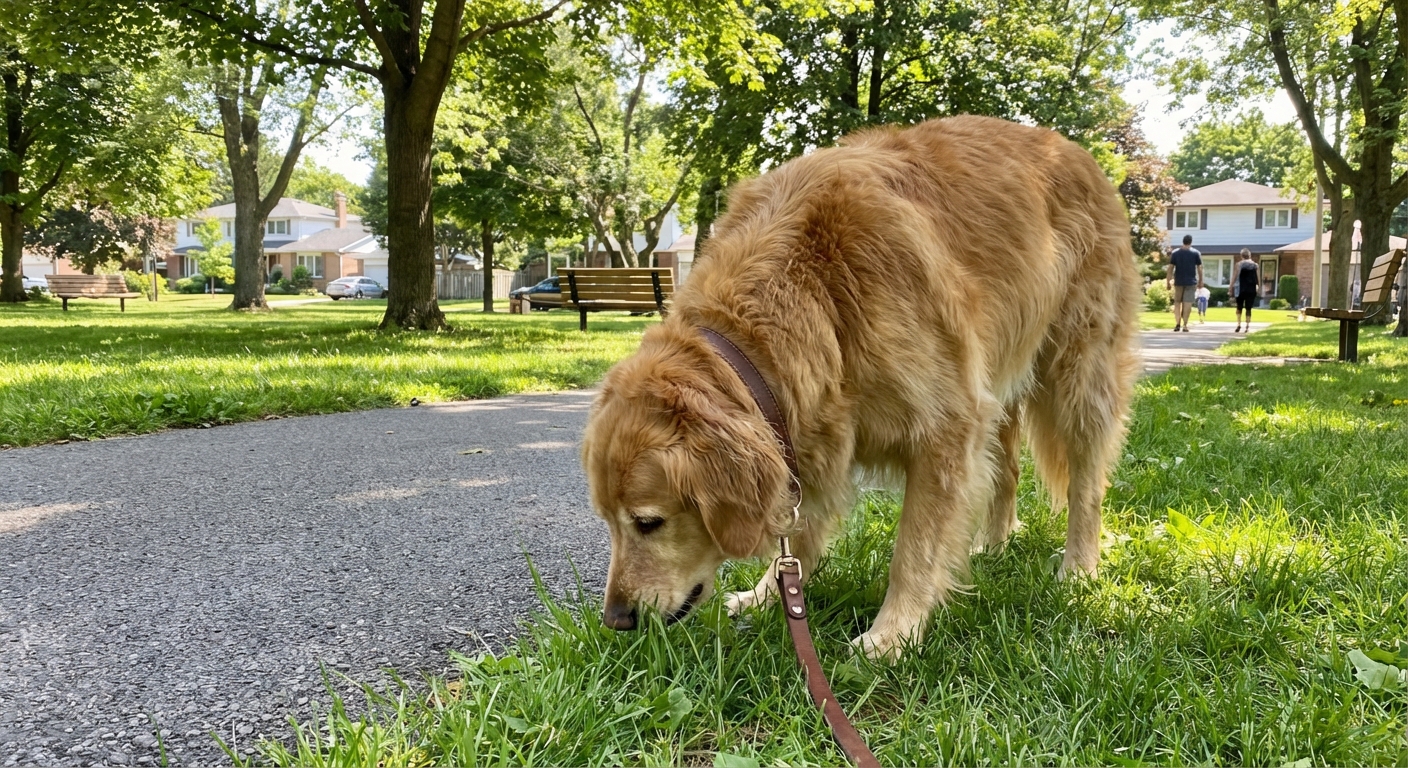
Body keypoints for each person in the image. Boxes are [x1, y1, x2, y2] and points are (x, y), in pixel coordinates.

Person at [1166, 234, 1203, 332]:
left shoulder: (1175, 253)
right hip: (1191, 282)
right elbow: (1199, 268)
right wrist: (1201, 281)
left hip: (1178, 281)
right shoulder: (1196, 253)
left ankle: (1177, 324)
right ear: (1191, 242)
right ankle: (1185, 325)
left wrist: (1168, 282)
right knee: (1188, 303)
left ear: (1183, 241)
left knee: (1177, 303)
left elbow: (1170, 268)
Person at [1232, 249, 1260, 332]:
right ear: (1250, 256)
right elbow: (1258, 278)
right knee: (1248, 308)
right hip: (1251, 289)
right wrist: (1259, 287)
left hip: (1240, 288)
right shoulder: (1255, 265)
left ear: (1241, 256)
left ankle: (1238, 324)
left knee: (1239, 307)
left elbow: (1234, 277)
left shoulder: (1239, 265)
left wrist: (1230, 287)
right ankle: (1247, 326)